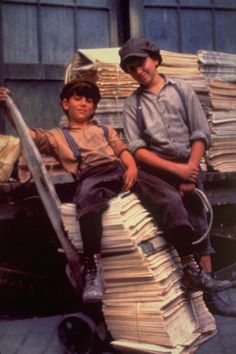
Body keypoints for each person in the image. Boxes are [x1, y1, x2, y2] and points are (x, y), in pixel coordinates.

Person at [118, 38, 236, 316]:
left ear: (155, 60)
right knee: (174, 213)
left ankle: (209, 294)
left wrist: (190, 169)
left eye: (141, 63)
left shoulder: (182, 90)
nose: (138, 71)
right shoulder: (132, 104)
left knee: (199, 221)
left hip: (189, 164)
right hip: (158, 170)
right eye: (131, 68)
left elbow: (200, 132)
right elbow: (137, 149)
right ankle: (185, 280)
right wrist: (175, 171)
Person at [0, 81, 138, 304]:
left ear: (94, 107)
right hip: (93, 176)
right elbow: (27, 135)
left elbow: (123, 152)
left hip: (119, 171)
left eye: (89, 100)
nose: (84, 104)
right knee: (87, 201)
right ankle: (93, 269)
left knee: (164, 190)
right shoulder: (56, 137)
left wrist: (132, 168)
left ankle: (190, 258)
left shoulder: (104, 130)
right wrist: (7, 107)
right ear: (65, 104)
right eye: (77, 98)